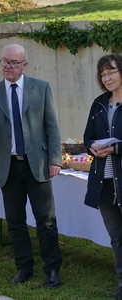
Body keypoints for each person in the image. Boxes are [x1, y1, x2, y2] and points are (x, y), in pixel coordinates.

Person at [0, 44, 63, 288]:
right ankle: (24, 268)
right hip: (7, 166)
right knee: (15, 222)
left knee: (46, 220)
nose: (7, 67)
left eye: (13, 63)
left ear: (25, 65)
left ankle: (52, 269)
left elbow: (52, 125)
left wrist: (55, 159)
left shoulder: (41, 88)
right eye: (4, 62)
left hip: (38, 165)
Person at [83, 53, 122, 299]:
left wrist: (116, 149)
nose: (106, 78)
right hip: (104, 182)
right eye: (102, 74)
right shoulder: (98, 104)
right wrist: (92, 148)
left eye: (111, 72)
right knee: (117, 237)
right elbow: (88, 136)